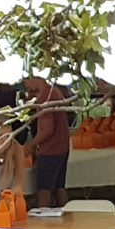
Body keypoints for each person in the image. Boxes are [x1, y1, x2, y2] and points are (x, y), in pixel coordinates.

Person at [23, 75, 71, 208]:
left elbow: (46, 130)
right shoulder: (55, 90)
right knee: (59, 186)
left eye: (25, 80)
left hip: (50, 150)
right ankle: (66, 217)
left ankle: (43, 221)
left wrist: (29, 145)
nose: (25, 85)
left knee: (43, 190)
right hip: (63, 146)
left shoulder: (45, 98)